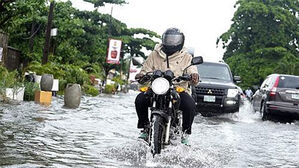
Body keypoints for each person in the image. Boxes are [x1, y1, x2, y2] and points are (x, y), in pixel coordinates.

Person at [134, 28, 199, 145]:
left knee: (190, 104)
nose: (172, 42)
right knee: (140, 99)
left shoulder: (186, 56)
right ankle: (144, 127)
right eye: (169, 39)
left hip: (178, 89)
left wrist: (193, 76)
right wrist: (141, 75)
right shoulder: (154, 54)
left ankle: (185, 134)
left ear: (181, 41)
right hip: (156, 88)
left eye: (175, 40)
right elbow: (145, 70)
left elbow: (192, 69)